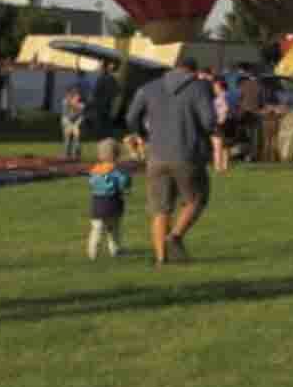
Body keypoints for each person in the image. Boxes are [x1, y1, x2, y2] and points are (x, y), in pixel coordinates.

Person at [128, 55, 216, 266]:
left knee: (160, 209)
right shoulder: (200, 88)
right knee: (197, 198)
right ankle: (175, 236)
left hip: (156, 155)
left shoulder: (148, 88)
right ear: (193, 72)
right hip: (188, 154)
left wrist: (144, 135)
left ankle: (161, 259)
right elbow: (209, 121)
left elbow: (131, 117)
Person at [85, 154, 130, 260]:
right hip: (113, 203)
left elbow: (91, 182)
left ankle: (92, 251)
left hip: (97, 204)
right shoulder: (116, 172)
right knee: (114, 229)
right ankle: (115, 250)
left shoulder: (95, 170)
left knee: (97, 229)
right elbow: (124, 182)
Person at [60, 88, 86, 162]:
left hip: (76, 123)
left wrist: (76, 125)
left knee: (77, 138)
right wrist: (70, 126)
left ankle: (76, 155)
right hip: (67, 122)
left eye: (78, 96)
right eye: (76, 96)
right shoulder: (65, 102)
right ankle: (66, 154)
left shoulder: (81, 105)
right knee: (67, 138)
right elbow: (65, 115)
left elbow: (81, 116)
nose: (78, 97)